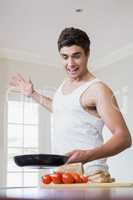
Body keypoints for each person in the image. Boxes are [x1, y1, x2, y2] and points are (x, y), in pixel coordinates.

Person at [9, 27, 132, 182]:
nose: (70, 63)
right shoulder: (64, 84)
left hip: (90, 174)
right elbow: (61, 110)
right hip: (63, 173)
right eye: (65, 57)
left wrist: (87, 155)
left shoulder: (98, 90)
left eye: (76, 56)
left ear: (87, 54)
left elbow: (124, 138)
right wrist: (33, 94)